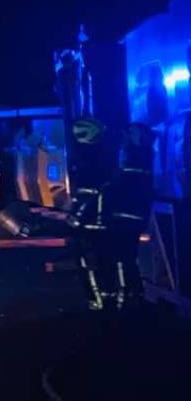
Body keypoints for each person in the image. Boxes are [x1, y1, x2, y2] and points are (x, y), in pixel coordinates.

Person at [67, 120, 155, 311]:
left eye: (130, 134)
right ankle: (126, 298)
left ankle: (112, 300)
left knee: (111, 259)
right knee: (122, 258)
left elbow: (99, 190)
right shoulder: (133, 159)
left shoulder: (130, 160)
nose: (124, 137)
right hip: (120, 218)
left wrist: (77, 215)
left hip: (114, 218)